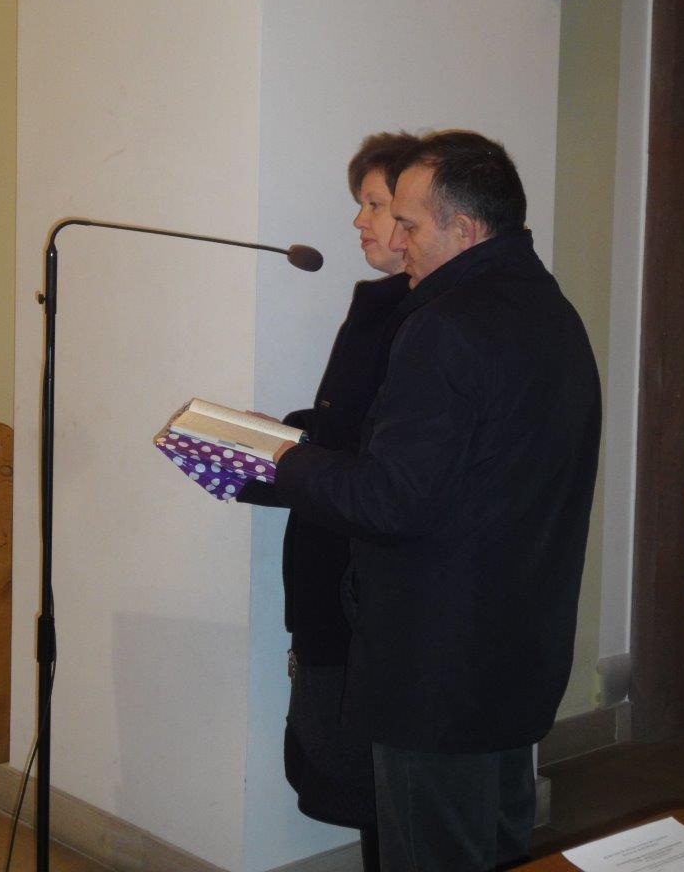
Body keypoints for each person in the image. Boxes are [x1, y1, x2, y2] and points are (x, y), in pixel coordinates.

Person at [272, 131, 602, 872]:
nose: (397, 241)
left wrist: (287, 462)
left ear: (466, 227)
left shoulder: (444, 325)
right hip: (517, 648)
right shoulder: (552, 311)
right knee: (498, 849)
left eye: (410, 225)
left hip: (436, 668)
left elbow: (390, 502)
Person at [238, 132, 418, 871]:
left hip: (367, 585)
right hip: (326, 564)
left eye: (374, 204)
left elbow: (385, 464)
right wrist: (270, 441)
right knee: (342, 764)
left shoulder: (432, 321)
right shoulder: (380, 305)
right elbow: (349, 428)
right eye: (363, 204)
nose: (359, 221)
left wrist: (289, 454)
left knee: (381, 787)